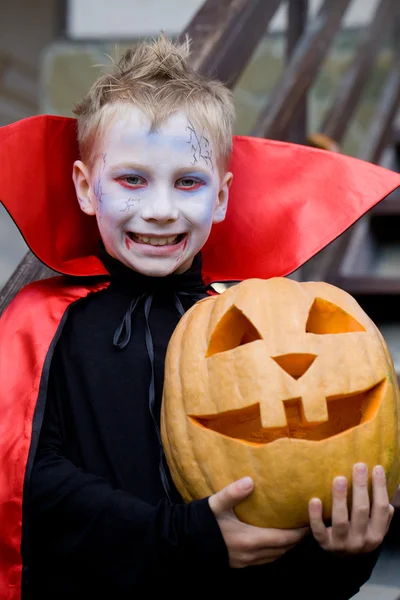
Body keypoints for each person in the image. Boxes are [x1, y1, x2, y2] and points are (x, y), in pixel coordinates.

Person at [0, 34, 397, 600]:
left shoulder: (243, 332)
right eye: (131, 179)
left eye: (188, 182)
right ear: (87, 189)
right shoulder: (46, 327)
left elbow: (281, 531)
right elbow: (31, 489)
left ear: (221, 198)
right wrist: (178, 538)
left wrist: (345, 554)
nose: (160, 210)